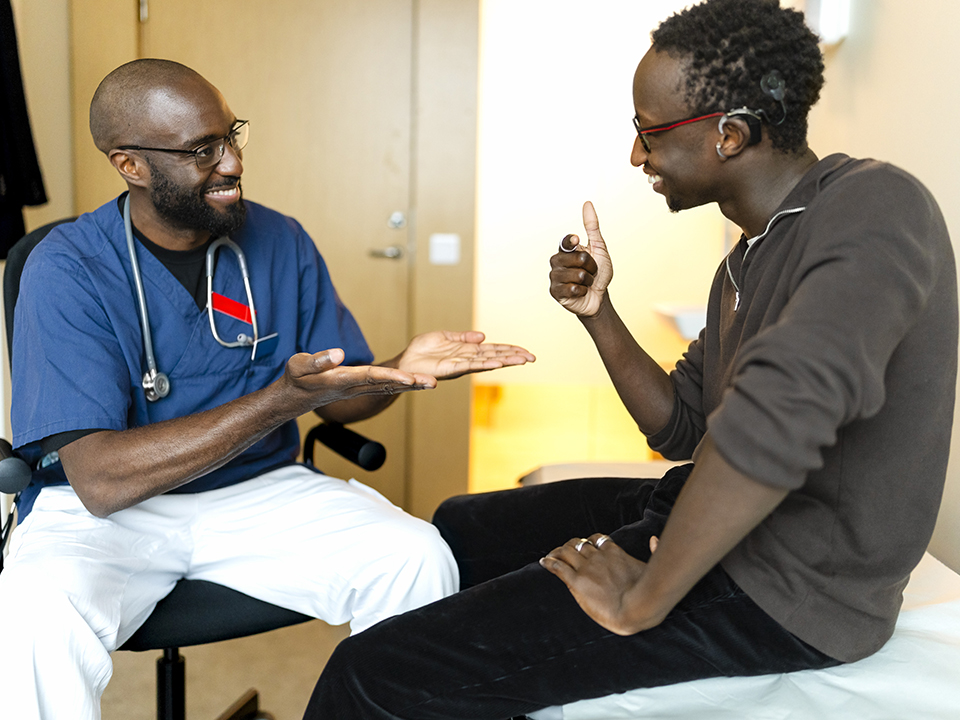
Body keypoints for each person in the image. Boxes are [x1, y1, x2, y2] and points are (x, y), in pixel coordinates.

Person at [301, 0, 958, 718]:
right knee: (457, 528)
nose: (637, 156)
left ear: (729, 136)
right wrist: (598, 314)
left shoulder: (876, 206)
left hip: (787, 594)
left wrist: (644, 597)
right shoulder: (745, 260)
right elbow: (683, 428)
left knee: (368, 675)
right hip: (714, 526)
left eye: (649, 133)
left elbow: (779, 416)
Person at [0, 58, 534, 720]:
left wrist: (397, 369)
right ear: (130, 165)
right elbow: (100, 480)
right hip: (103, 513)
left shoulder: (280, 239)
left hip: (256, 490)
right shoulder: (68, 268)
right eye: (202, 150)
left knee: (416, 558)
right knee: (33, 613)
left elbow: (336, 394)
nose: (231, 163)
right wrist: (280, 401)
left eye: (232, 135)